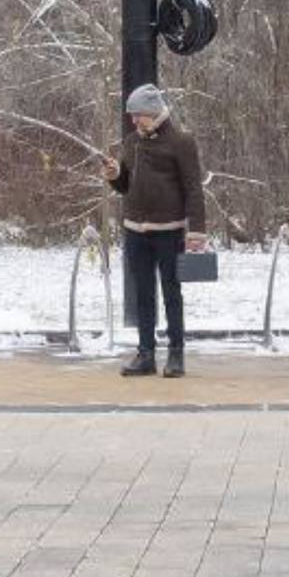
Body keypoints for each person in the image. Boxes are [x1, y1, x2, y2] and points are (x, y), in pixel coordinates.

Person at [101, 82, 208, 377]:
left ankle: (176, 354)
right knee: (143, 293)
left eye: (138, 115)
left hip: (169, 231)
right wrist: (115, 175)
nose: (134, 121)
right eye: (132, 116)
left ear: (153, 112)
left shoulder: (181, 142)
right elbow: (126, 185)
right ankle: (145, 354)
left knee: (171, 292)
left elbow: (194, 189)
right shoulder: (131, 142)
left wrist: (196, 232)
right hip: (135, 230)